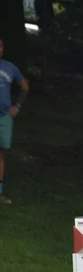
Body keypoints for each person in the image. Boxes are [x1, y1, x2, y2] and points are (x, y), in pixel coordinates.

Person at [0, 37, 30, 205]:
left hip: (4, 116)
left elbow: (25, 86)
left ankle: (0, 191)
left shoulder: (10, 68)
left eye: (1, 46)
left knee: (1, 153)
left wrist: (17, 106)